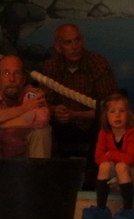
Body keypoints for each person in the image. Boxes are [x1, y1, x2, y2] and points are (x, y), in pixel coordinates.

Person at [41, 24, 118, 157]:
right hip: (61, 127)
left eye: (77, 40)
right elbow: (43, 103)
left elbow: (111, 107)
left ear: (83, 41)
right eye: (68, 42)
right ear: (58, 47)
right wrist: (55, 110)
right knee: (42, 126)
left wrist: (75, 115)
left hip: (93, 126)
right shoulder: (51, 67)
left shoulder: (98, 64)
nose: (75, 46)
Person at [0, 54, 51, 159]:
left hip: (27, 158)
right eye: (6, 73)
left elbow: (42, 118)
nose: (12, 79)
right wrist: (23, 109)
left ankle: (38, 170)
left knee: (42, 132)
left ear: (24, 79)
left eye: (17, 73)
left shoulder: (31, 94)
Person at [82, 93, 134, 219]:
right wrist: (112, 157)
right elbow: (98, 158)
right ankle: (101, 208)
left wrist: (110, 154)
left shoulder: (133, 132)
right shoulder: (104, 133)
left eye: (122, 111)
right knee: (104, 166)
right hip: (116, 179)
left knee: (121, 166)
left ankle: (128, 209)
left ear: (128, 114)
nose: (117, 115)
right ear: (106, 115)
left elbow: (130, 160)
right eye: (112, 112)